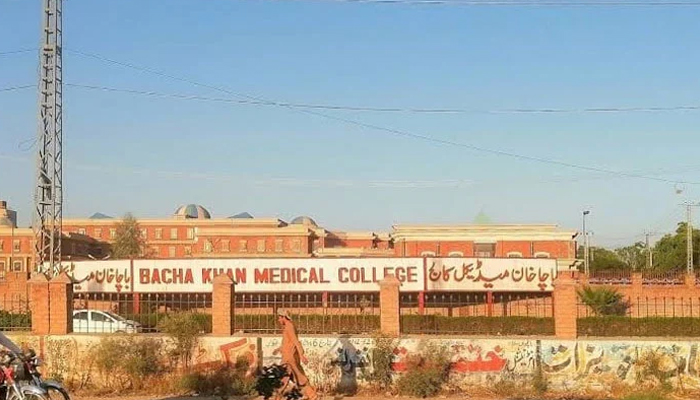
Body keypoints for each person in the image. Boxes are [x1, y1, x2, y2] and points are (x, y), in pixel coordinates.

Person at [276, 309, 319, 400]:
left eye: (279, 318)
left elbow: (295, 341)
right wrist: (279, 349)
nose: (278, 320)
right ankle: (312, 395)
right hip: (288, 356)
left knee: (286, 378)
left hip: (289, 358)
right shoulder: (288, 326)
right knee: (296, 377)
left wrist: (301, 355)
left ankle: (277, 396)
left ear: (284, 317)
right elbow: (288, 342)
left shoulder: (289, 326)